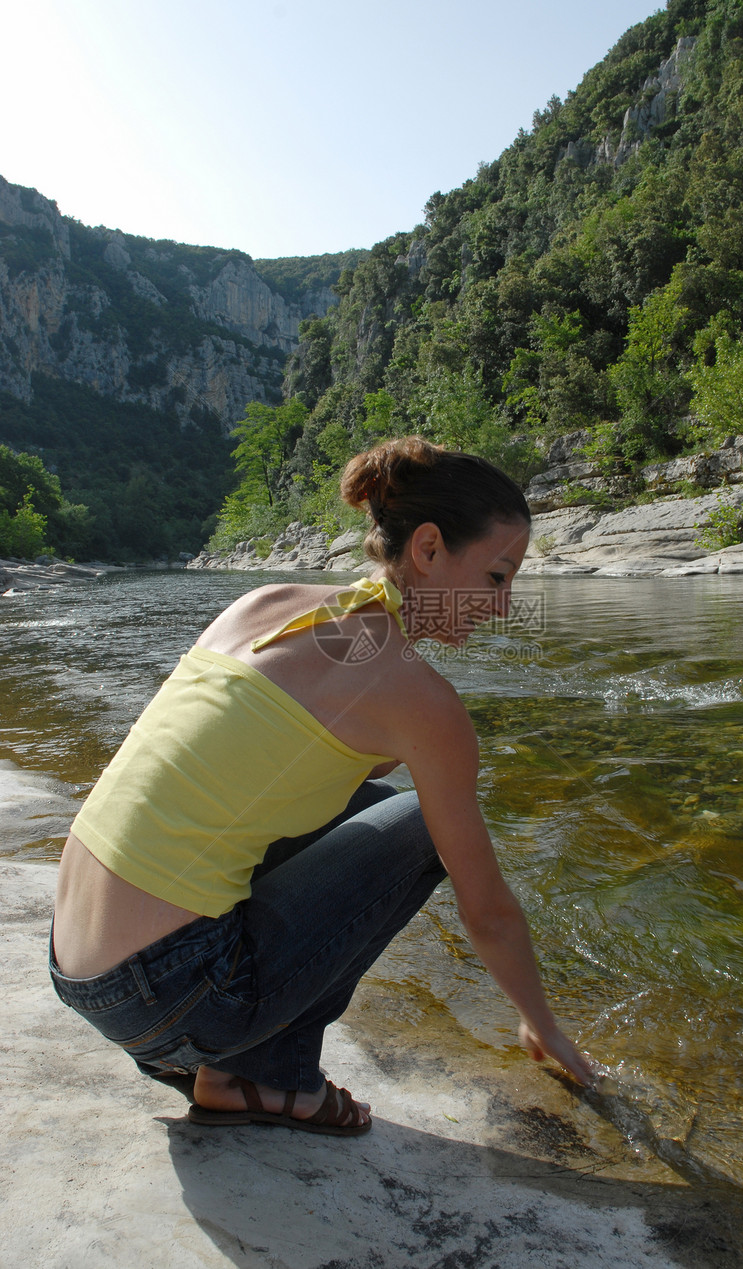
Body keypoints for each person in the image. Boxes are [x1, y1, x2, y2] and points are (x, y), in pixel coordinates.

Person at [51, 436, 594, 1136]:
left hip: (77, 965)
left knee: (368, 807)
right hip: (172, 996)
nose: (505, 606)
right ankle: (271, 1074)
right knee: (428, 828)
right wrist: (541, 1024)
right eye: (497, 577)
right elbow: (487, 911)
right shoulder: (421, 701)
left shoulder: (266, 603)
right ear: (427, 548)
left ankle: (234, 1056)